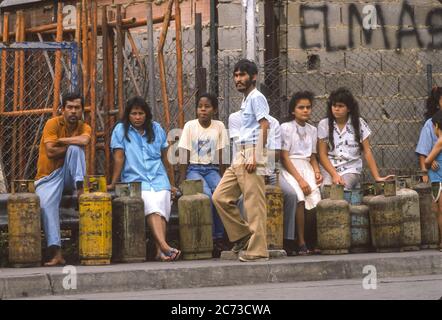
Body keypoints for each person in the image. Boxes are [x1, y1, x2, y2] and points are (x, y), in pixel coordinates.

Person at [108, 96, 180, 262]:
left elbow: (165, 158)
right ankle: (163, 246)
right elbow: (119, 158)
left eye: (141, 113)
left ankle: (160, 251)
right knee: (151, 202)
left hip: (158, 177)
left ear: (146, 115)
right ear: (128, 115)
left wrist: (170, 184)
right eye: (134, 113)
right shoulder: (121, 130)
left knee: (162, 199)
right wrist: (113, 182)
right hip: (136, 180)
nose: (138, 117)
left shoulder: (156, 128)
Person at [212, 59, 270, 262]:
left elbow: (265, 126)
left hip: (253, 151)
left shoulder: (256, 97)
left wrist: (256, 155)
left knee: (254, 204)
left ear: (253, 77)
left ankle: (258, 250)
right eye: (236, 75)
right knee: (219, 197)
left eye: (242, 75)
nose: (238, 79)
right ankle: (243, 235)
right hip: (241, 154)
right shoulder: (246, 100)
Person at [35, 92, 91, 266]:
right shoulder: (52, 123)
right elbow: (50, 152)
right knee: (47, 206)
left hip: (69, 176)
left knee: (76, 149)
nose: (73, 111)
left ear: (82, 110)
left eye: (77, 108)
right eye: (70, 107)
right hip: (48, 178)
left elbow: (85, 140)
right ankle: (57, 253)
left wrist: (62, 141)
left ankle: (80, 189)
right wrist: (72, 144)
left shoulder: (84, 126)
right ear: (62, 109)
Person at [178, 93, 230, 257]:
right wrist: (182, 179)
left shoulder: (219, 126)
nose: (203, 110)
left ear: (213, 109)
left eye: (207, 107)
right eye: (200, 107)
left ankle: (219, 238)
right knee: (206, 195)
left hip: (212, 169)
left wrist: (224, 177)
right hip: (194, 169)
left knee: (219, 195)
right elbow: (184, 152)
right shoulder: (190, 126)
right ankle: (211, 238)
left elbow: (222, 153)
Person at [317, 87, 393, 189]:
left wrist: (377, 177)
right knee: (325, 191)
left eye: (341, 106)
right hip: (329, 168)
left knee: (341, 189)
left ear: (348, 108)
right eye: (334, 105)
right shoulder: (324, 124)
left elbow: (367, 152)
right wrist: (334, 174)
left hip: (350, 168)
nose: (336, 109)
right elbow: (322, 154)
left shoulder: (359, 123)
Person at [279, 91, 322, 256]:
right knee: (299, 198)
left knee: (316, 199)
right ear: (293, 111)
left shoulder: (312, 130)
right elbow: (284, 156)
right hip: (290, 168)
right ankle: (301, 241)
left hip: (307, 166)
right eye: (301, 107)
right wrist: (300, 179)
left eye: (308, 107)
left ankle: (314, 241)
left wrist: (317, 171)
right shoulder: (286, 128)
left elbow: (312, 156)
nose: (305, 110)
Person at [422, 110, 442, 252]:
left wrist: (430, 159)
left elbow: (427, 160)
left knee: (440, 212)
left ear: (436, 126)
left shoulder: (440, 141)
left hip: (438, 180)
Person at [416, 87, 442, 183]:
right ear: (437, 104)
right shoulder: (430, 124)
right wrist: (424, 172)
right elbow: (423, 151)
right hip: (436, 171)